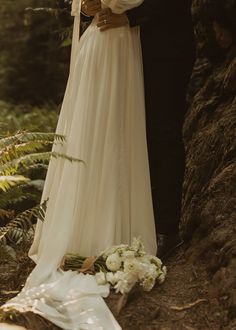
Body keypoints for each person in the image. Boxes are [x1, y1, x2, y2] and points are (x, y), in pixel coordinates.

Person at [1, 1, 157, 329]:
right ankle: (88, 230)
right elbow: (83, 8)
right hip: (101, 42)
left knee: (116, 132)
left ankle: (112, 226)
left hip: (118, 41)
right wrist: (89, 5)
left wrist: (118, 8)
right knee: (93, 132)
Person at [82, 0, 196, 257]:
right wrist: (86, 7)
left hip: (164, 48)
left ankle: (166, 228)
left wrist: (131, 17)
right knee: (123, 133)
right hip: (118, 49)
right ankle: (129, 221)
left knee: (162, 133)